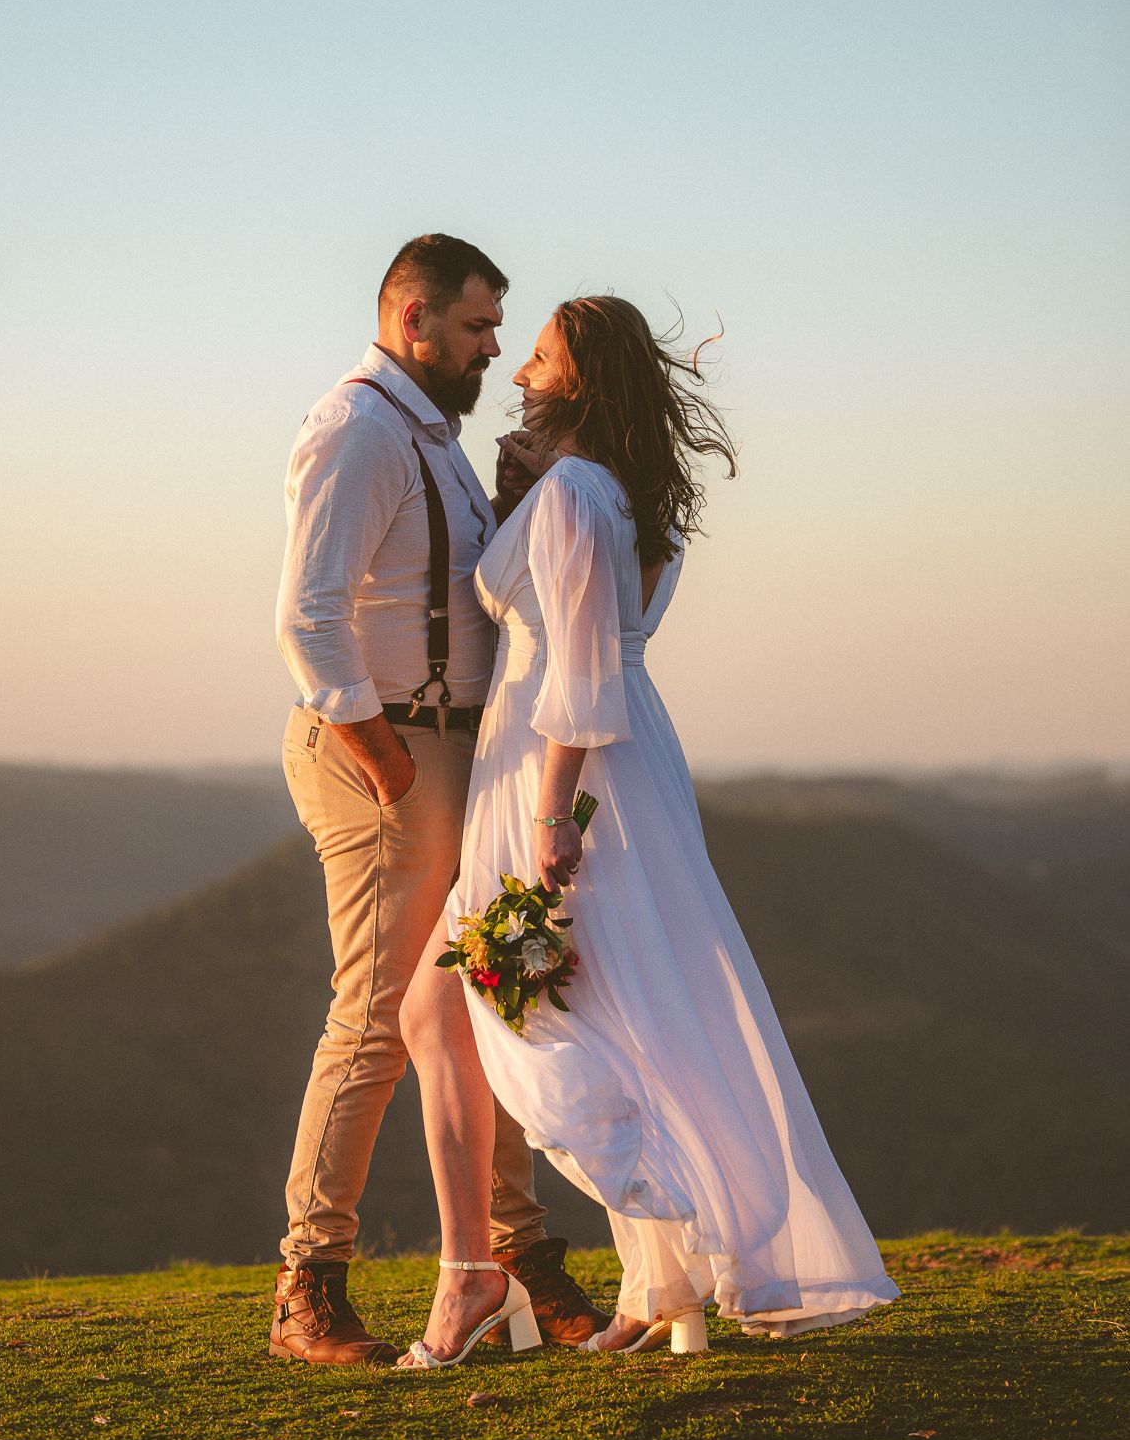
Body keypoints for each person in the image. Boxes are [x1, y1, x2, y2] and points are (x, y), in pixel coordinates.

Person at [396, 295, 900, 1367]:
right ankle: (658, 1282)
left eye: (536, 356)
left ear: (578, 379)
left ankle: (674, 1243)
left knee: (529, 1004)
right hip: (603, 757)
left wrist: (550, 817)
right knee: (620, 1001)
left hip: (563, 764)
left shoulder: (579, 490)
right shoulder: (616, 492)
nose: (519, 369)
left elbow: (577, 666)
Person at [270, 235, 610, 1366]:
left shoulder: (432, 436)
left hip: (453, 753)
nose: (493, 348)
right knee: (374, 1017)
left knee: (478, 1000)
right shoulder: (357, 431)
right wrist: (387, 761)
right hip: (391, 756)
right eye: (475, 328)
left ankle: (513, 1257)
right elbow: (308, 619)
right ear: (413, 319)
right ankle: (306, 1284)